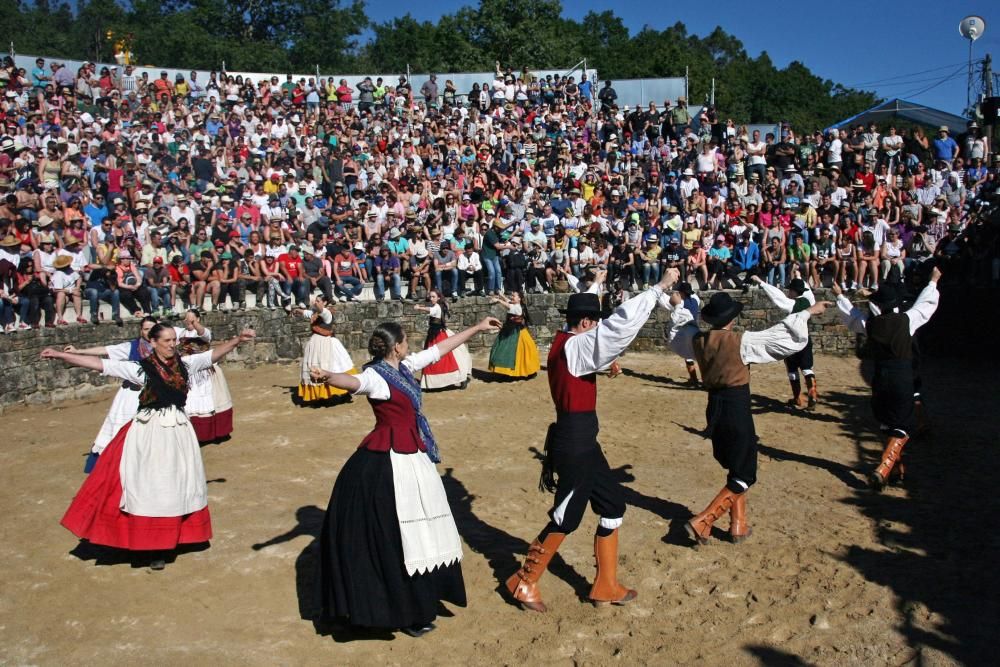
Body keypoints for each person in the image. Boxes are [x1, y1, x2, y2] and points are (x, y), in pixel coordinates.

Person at [308, 316, 501, 636]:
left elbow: (439, 350)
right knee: (403, 537)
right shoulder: (377, 376)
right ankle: (404, 609)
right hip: (391, 462)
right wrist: (329, 376)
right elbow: (356, 383)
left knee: (423, 531)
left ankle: (420, 600)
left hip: (414, 457)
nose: (409, 344)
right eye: (405, 341)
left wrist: (478, 328)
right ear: (396, 347)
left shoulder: (405, 366)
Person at [505, 268, 681, 614]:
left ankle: (605, 585)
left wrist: (598, 284)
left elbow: (593, 347)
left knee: (613, 504)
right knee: (566, 516)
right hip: (576, 441)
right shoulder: (577, 345)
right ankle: (523, 580)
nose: (598, 326)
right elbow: (616, 329)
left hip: (582, 437)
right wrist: (658, 288)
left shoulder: (563, 342)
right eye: (594, 321)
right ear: (585, 323)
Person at [43, 326, 255, 569]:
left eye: (174, 340)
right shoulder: (139, 368)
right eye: (166, 340)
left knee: (178, 483)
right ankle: (151, 546)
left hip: (178, 433)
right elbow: (101, 365)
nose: (172, 344)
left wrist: (237, 339)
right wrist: (62, 355)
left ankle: (172, 539)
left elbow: (213, 355)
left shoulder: (185, 364)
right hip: (149, 434)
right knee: (149, 488)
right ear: (153, 342)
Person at [668, 291, 829, 544]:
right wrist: (808, 312)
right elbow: (781, 334)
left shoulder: (698, 339)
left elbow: (683, 328)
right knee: (745, 473)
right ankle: (703, 521)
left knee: (735, 465)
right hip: (736, 407)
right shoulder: (740, 341)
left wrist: (677, 305)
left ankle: (738, 526)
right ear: (732, 318)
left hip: (714, 406)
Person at [832, 269, 941, 490]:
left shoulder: (870, 324)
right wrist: (933, 282)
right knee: (902, 426)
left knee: (887, 423)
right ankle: (884, 467)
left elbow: (852, 315)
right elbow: (925, 306)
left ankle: (896, 471)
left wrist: (839, 295)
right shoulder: (906, 320)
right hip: (901, 376)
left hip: (880, 377)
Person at [63, 316, 160, 472]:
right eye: (146, 329)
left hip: (155, 395)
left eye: (152, 328)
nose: (149, 332)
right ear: (140, 330)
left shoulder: (165, 347)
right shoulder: (132, 347)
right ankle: (113, 464)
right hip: (130, 397)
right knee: (120, 428)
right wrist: (78, 351)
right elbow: (105, 350)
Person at [752, 276, 819, 408]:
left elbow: (778, 297)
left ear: (794, 291)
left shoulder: (792, 303)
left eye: (790, 290)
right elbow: (808, 291)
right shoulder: (809, 301)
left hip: (791, 342)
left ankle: (797, 398)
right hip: (805, 339)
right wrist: (799, 275)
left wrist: (762, 283)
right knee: (807, 368)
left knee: (792, 370)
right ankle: (813, 393)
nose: (788, 292)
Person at [176, 309, 234, 443]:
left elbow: (203, 333)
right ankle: (194, 433)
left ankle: (214, 433)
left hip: (204, 370)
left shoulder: (204, 332)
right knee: (190, 401)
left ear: (198, 319)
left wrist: (195, 324)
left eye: (192, 319)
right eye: (187, 319)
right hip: (188, 371)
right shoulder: (181, 333)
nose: (189, 322)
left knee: (210, 399)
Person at [293, 295, 356, 403]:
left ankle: (345, 391)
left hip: (327, 344)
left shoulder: (327, 313)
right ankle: (321, 395)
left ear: (325, 302)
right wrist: (298, 310)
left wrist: (316, 305)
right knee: (317, 368)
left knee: (336, 367)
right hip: (316, 344)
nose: (316, 303)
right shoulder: (315, 312)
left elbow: (322, 311)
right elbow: (308, 313)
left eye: (318, 301)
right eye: (316, 301)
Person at [414, 290, 472, 390]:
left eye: (433, 297)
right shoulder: (441, 305)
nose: (431, 299)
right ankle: (461, 379)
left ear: (438, 298)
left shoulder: (437, 307)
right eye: (430, 297)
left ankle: (461, 378)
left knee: (441, 358)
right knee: (445, 357)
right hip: (436, 333)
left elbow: (430, 310)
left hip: (438, 335)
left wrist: (419, 308)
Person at [487, 291, 540, 380]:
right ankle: (506, 371)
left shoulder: (518, 308)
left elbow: (509, 306)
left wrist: (498, 300)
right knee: (505, 351)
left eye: (514, 296)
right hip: (510, 331)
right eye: (511, 295)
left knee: (517, 352)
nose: (512, 297)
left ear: (519, 298)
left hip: (517, 333)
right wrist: (502, 295)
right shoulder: (516, 304)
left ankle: (522, 371)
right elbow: (508, 301)